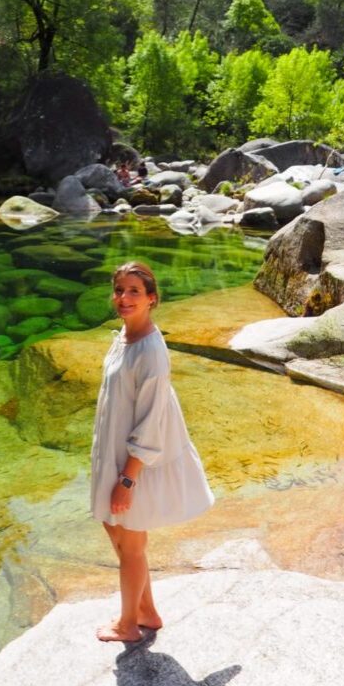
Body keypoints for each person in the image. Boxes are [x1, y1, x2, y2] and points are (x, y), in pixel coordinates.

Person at [90, 260, 214, 641]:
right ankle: (147, 611)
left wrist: (127, 479)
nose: (124, 298)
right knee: (115, 529)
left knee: (131, 543)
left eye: (134, 292)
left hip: (133, 463)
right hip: (112, 453)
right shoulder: (124, 336)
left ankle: (128, 625)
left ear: (152, 299)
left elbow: (150, 423)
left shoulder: (152, 353)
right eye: (119, 290)